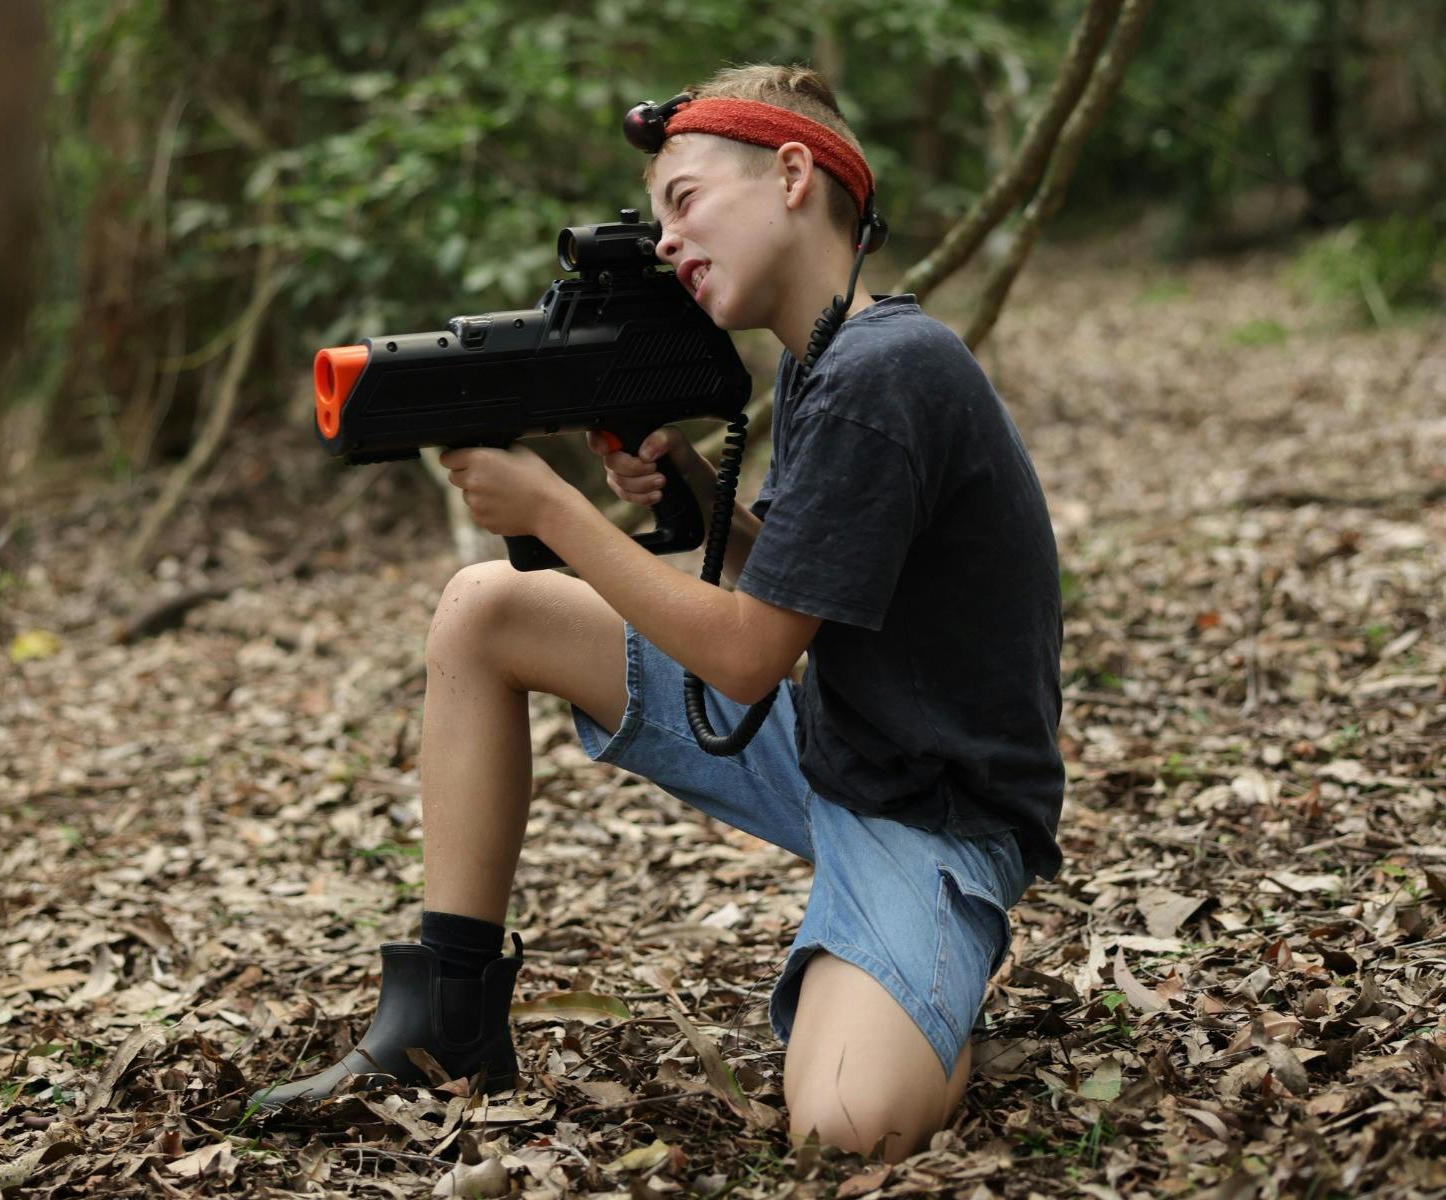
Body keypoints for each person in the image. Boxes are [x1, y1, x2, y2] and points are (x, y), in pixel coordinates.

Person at [253, 62, 1064, 1164]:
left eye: (684, 201)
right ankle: (450, 1011)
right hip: (842, 744)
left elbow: (747, 659)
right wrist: (699, 498)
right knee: (488, 609)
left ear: (790, 174)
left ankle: (923, 975)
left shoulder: (889, 371)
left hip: (934, 817)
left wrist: (551, 506)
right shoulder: (825, 360)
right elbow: (810, 588)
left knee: (845, 1127)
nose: (670, 241)